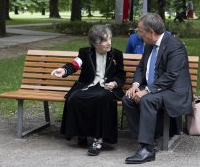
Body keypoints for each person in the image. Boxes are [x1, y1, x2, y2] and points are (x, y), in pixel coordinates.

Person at [122, 13, 192, 164]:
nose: (138, 34)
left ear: (151, 32)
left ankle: (147, 150)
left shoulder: (175, 46)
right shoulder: (149, 44)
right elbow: (141, 67)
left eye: (140, 31)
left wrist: (146, 90)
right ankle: (146, 138)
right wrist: (135, 85)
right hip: (156, 87)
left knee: (147, 100)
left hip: (173, 91)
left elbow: (171, 76)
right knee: (128, 98)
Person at [51, 25, 125, 156]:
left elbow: (121, 74)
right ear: (95, 43)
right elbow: (74, 64)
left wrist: (114, 83)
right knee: (74, 98)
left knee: (102, 98)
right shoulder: (86, 53)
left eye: (110, 39)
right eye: (105, 40)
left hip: (107, 88)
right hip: (88, 85)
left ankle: (98, 140)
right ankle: (82, 134)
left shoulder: (116, 54)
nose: (109, 43)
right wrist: (64, 70)